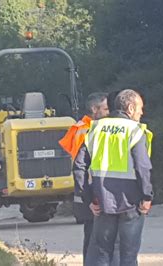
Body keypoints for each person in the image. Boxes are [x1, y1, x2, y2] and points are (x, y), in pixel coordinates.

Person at [74, 88, 153, 266]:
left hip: (102, 202)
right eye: (140, 107)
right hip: (131, 203)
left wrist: (88, 198)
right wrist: (147, 196)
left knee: (102, 253)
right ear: (131, 108)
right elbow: (143, 167)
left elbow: (79, 166)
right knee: (128, 255)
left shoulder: (95, 129)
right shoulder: (135, 130)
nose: (142, 112)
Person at [59, 92, 109, 263]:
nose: (109, 112)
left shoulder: (81, 127)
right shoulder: (87, 130)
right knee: (94, 238)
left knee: (91, 236)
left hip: (85, 188)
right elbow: (81, 164)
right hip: (89, 189)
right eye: (106, 108)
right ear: (94, 109)